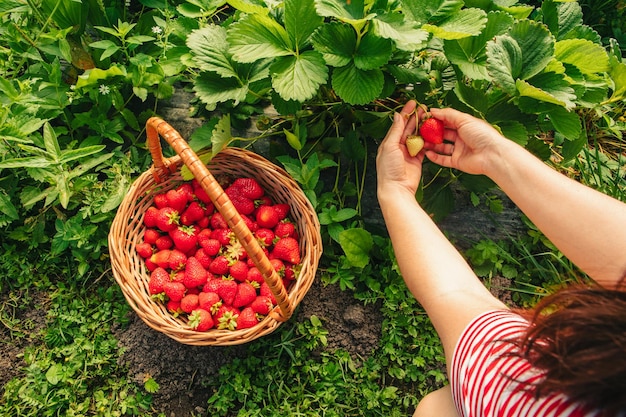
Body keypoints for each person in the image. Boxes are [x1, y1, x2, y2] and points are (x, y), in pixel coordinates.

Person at [376, 100, 626, 417]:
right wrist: (494, 155)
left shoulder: (547, 404)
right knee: (440, 406)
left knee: (435, 410)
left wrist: (394, 190)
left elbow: (467, 315)